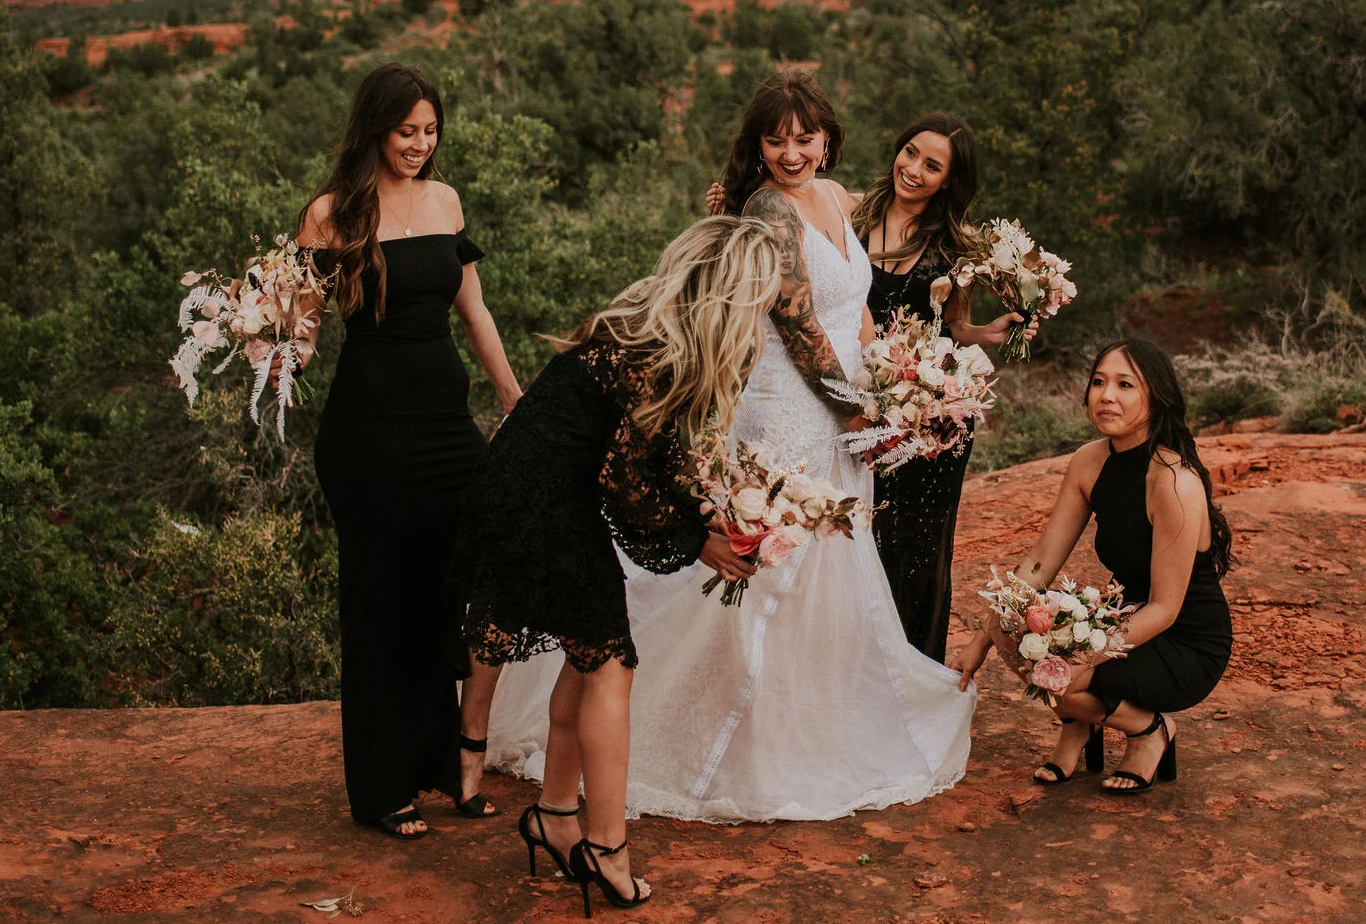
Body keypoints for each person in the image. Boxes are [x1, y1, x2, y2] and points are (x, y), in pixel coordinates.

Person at [487, 69, 976, 822]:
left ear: (827, 138)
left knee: (828, 578)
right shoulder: (768, 212)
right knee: (765, 574)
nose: (790, 151)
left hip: (848, 401)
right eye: (773, 139)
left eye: (803, 136)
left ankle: (812, 723)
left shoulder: (840, 196)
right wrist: (860, 418)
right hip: (792, 406)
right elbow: (801, 331)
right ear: (757, 145)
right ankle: (727, 742)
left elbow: (859, 304)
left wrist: (895, 380)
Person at [460, 216, 784, 911]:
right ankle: (606, 845)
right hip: (539, 495)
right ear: (733, 295)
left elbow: (649, 458)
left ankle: (555, 814)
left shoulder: (649, 328)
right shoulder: (657, 351)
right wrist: (702, 539)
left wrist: (705, 515)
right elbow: (625, 479)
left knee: (592, 655)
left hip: (535, 482)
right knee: (610, 662)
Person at [296, 62, 523, 839]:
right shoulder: (331, 214)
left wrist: (513, 397)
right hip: (367, 435)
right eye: (406, 132)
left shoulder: (445, 200)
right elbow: (303, 327)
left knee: (449, 592)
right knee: (381, 603)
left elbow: (474, 308)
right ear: (374, 129)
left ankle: (443, 767)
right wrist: (267, 340)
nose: (420, 145)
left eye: (430, 131)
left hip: (444, 427)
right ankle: (383, 786)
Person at [956, 336, 1233, 794]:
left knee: (1060, 673)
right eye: (1099, 382)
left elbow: (1165, 608)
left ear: (1156, 396)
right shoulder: (1089, 460)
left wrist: (1084, 655)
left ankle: (1148, 730)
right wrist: (984, 636)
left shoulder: (1173, 480)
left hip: (1183, 641)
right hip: (1120, 620)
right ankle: (1079, 722)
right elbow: (1041, 562)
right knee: (1010, 628)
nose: (1107, 396)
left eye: (1126, 384)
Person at [852, 113, 1021, 660]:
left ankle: (910, 675)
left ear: (949, 179)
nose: (914, 170)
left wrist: (986, 335)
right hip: (857, 409)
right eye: (910, 153)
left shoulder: (957, 244)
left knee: (916, 550)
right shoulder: (852, 215)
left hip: (930, 420)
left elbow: (953, 327)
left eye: (932, 165)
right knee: (855, 539)